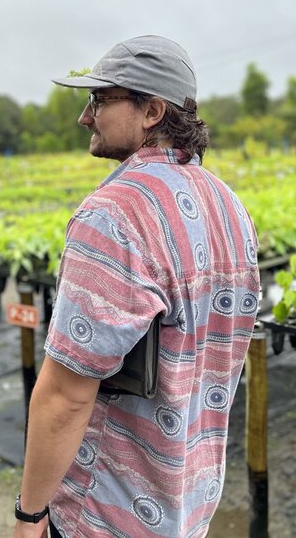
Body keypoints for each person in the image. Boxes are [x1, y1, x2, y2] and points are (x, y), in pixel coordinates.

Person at [14, 36, 261, 538]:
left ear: (151, 111)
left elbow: (66, 396)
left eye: (100, 99)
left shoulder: (114, 214)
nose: (86, 116)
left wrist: (29, 514)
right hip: (187, 502)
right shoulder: (229, 206)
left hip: (105, 512)